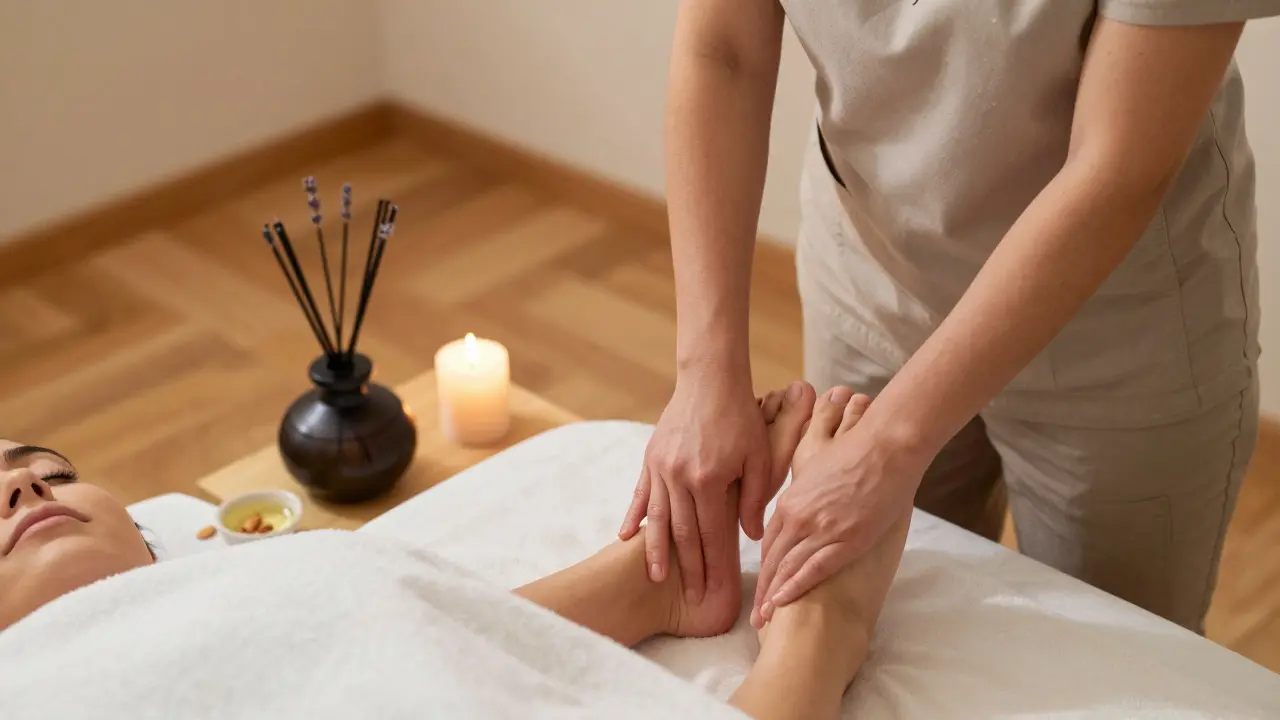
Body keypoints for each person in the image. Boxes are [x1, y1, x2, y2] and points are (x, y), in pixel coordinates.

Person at [622, 0, 1278, 634]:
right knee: (870, 628)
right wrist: (704, 372)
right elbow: (724, 51)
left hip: (1115, 342)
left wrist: (888, 449)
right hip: (873, 284)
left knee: (1109, 667)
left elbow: (1116, 165)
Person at [0, 385, 908, 719]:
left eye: (51, 470)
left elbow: (358, 641)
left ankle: (649, 582)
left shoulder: (241, 586)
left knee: (331, 592)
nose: (26, 487)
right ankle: (818, 640)